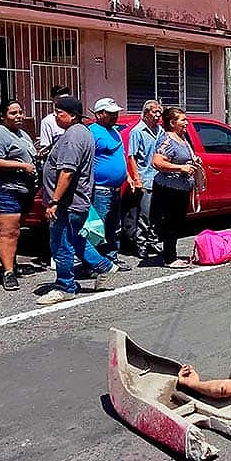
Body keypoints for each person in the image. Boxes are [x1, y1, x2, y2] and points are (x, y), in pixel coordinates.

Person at [38, 96, 118, 305]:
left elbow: (67, 172)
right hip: (75, 201)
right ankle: (105, 267)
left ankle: (65, 286)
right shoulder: (80, 132)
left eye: (59, 113)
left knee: (61, 244)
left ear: (72, 115)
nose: (55, 117)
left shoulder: (74, 136)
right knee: (76, 239)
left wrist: (54, 201)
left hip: (68, 203)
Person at [0, 100, 38, 291]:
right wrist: (22, 165)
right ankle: (8, 272)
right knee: (9, 231)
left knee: (15, 231)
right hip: (3, 190)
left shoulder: (21, 133)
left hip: (23, 190)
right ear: (2, 116)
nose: (19, 116)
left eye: (20, 112)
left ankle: (12, 264)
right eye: (13, 113)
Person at [150, 106, 200, 269]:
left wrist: (192, 162)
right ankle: (169, 258)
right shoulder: (167, 139)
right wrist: (181, 168)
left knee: (177, 222)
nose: (187, 122)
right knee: (171, 222)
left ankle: (170, 253)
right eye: (183, 120)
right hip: (169, 189)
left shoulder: (182, 138)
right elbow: (157, 162)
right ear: (172, 123)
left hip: (181, 188)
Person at [89, 97, 130, 270]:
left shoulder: (115, 132)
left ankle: (111, 256)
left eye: (116, 113)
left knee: (114, 225)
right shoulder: (91, 132)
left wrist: (127, 175)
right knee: (97, 227)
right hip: (100, 189)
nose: (115, 117)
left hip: (115, 189)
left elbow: (119, 156)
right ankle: (94, 261)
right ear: (99, 114)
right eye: (111, 113)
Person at [122, 100, 164, 258]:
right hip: (145, 178)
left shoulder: (160, 131)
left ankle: (152, 241)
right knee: (144, 215)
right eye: (154, 112)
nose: (157, 116)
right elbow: (131, 156)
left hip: (159, 179)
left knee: (157, 214)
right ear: (146, 113)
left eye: (159, 112)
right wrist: (137, 178)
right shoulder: (137, 131)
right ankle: (140, 244)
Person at [38, 85, 71, 152]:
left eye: (66, 98)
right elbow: (46, 146)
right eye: (60, 99)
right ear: (52, 100)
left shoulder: (75, 117)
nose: (64, 102)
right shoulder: (48, 121)